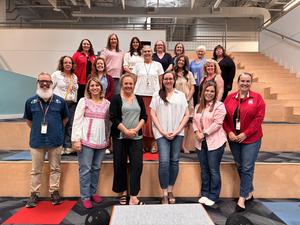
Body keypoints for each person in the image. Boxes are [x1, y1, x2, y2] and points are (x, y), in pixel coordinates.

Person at [23, 72, 69, 208]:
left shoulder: (60, 101)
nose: (44, 83)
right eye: (41, 81)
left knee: (55, 168)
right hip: (37, 141)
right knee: (36, 170)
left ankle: (54, 192)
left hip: (55, 141)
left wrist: (57, 130)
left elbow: (65, 119)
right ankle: (34, 194)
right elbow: (29, 120)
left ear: (51, 83)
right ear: (37, 82)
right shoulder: (30, 101)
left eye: (47, 81)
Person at [223, 72, 265, 212]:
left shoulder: (257, 98)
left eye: (248, 81)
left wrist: (245, 134)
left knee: (247, 167)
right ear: (238, 82)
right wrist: (229, 131)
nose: (245, 83)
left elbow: (258, 119)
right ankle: (249, 191)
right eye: (242, 81)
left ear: (250, 83)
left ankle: (242, 198)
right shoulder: (229, 98)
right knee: (240, 165)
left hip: (251, 139)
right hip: (234, 139)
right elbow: (225, 119)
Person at [150, 71, 189, 204]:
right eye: (166, 79)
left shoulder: (181, 95)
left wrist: (177, 130)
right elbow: (153, 114)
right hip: (162, 134)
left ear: (174, 80)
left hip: (177, 133)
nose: (168, 81)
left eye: (170, 79)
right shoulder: (157, 95)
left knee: (174, 161)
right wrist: (162, 131)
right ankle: (164, 193)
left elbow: (186, 115)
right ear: (163, 80)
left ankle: (171, 189)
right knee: (164, 162)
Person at [72, 77, 110, 209]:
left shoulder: (107, 103)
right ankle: (85, 196)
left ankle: (93, 193)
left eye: (97, 85)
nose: (94, 88)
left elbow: (108, 123)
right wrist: (76, 139)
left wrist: (108, 138)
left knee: (96, 168)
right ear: (88, 88)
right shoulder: (84, 101)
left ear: (101, 88)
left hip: (101, 142)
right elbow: (77, 121)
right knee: (85, 170)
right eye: (92, 86)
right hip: (86, 141)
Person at [109, 74, 147, 205]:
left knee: (137, 166)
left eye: (131, 84)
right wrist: (125, 131)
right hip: (120, 136)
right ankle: (123, 192)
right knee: (120, 165)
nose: (128, 86)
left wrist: (135, 130)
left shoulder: (139, 99)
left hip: (136, 137)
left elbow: (144, 116)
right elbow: (113, 118)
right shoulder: (116, 99)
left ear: (134, 85)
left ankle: (134, 196)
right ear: (121, 84)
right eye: (126, 83)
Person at [193, 81, 227, 207]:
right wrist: (196, 132)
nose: (209, 93)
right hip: (200, 143)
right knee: (204, 170)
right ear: (203, 91)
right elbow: (195, 122)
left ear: (215, 93)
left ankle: (214, 195)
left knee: (213, 170)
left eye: (212, 91)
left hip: (215, 142)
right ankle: (205, 193)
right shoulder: (198, 106)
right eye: (207, 90)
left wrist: (204, 133)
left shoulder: (219, 106)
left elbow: (218, 123)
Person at [132, 45, 164, 153]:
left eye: (149, 51)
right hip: (139, 95)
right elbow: (134, 81)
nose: (147, 53)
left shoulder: (158, 65)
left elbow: (161, 81)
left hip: (154, 96)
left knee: (153, 121)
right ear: (142, 53)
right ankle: (141, 144)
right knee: (140, 120)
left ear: (152, 53)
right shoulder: (137, 65)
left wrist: (161, 94)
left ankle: (153, 144)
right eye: (145, 51)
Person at [52, 56, 78, 155]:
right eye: (65, 62)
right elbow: (50, 88)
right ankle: (59, 146)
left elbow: (75, 91)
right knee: (60, 125)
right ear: (62, 64)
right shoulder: (56, 74)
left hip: (71, 104)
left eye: (70, 63)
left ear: (72, 65)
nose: (68, 64)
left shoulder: (74, 76)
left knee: (70, 125)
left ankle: (67, 146)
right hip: (59, 104)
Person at [174, 54, 195, 153]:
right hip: (175, 102)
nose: (181, 62)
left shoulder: (189, 74)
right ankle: (176, 146)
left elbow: (192, 88)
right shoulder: (172, 73)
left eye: (183, 61)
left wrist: (187, 99)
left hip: (187, 102)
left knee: (186, 124)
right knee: (176, 123)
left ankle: (184, 146)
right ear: (177, 61)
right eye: (179, 60)